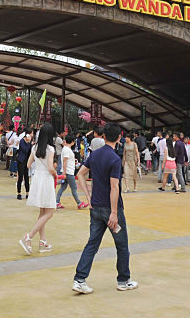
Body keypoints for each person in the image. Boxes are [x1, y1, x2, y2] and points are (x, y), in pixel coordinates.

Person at [72, 122, 137, 294]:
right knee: (122, 245)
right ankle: (123, 280)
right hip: (111, 210)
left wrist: (88, 197)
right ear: (119, 137)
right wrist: (114, 213)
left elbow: (80, 174)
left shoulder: (95, 154)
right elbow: (114, 187)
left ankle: (79, 279)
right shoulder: (115, 159)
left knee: (92, 244)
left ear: (103, 136)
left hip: (96, 208)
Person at [20, 123, 57, 255]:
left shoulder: (34, 147)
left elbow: (28, 164)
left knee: (43, 212)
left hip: (37, 179)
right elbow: (51, 168)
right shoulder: (50, 149)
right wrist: (55, 174)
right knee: (49, 212)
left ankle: (42, 241)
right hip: (46, 179)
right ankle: (29, 236)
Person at [56, 132, 87, 210]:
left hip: (67, 171)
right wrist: (64, 172)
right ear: (73, 142)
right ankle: (79, 203)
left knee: (63, 187)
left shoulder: (66, 149)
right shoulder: (67, 150)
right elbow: (65, 160)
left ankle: (57, 202)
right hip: (68, 172)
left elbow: (66, 160)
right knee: (74, 188)